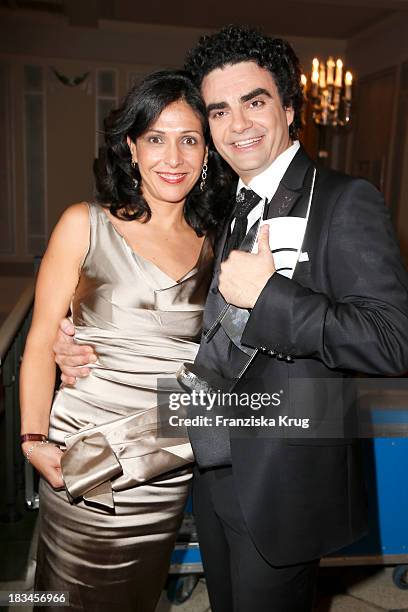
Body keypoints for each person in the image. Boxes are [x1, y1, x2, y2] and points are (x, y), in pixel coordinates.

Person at [54, 26, 408, 612]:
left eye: (256, 101)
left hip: (284, 478)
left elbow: (395, 342)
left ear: (291, 111)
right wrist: (88, 344)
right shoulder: (222, 209)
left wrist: (270, 298)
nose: (237, 124)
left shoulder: (346, 199)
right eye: (219, 110)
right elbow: (192, 327)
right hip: (209, 460)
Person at [19, 70, 230, 612]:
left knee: (136, 595)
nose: (174, 157)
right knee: (68, 593)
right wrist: (32, 439)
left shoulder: (220, 244)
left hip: (163, 461)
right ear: (131, 147)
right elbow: (43, 338)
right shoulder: (83, 223)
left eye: (190, 139)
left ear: (208, 151)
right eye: (156, 138)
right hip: (84, 453)